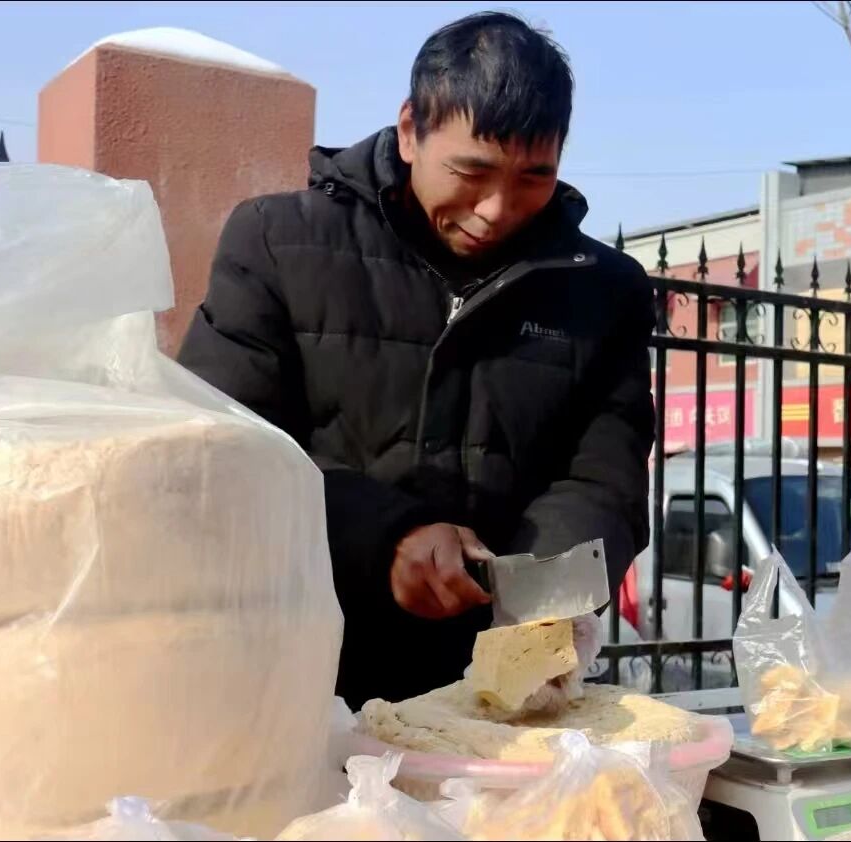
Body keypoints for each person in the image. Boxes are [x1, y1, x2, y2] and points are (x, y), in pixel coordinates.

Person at [177, 11, 655, 711]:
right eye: (472, 171)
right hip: (300, 677)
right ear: (410, 131)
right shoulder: (278, 242)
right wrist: (385, 538)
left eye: (534, 177)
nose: (496, 209)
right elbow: (226, 454)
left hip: (494, 689)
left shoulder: (603, 291)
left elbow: (603, 475)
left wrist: (544, 598)